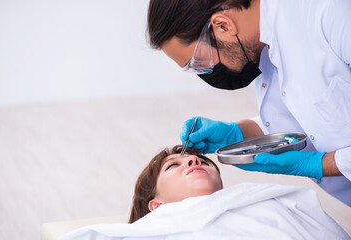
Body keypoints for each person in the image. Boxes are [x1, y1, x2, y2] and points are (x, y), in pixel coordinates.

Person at [146, 0, 351, 205]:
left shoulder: (334, 13)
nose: (206, 73)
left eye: (199, 62)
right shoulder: (260, 46)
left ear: (223, 25)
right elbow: (307, 120)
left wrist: (320, 164)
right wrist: (237, 134)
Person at [59, 145, 350, 239]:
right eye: (173, 166)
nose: (193, 160)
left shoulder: (270, 200)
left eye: (202, 161)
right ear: (155, 205)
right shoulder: (150, 231)